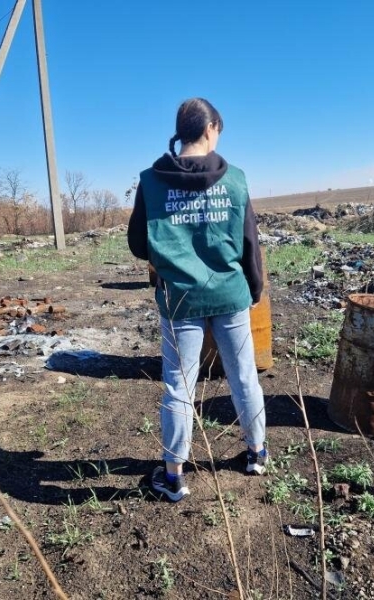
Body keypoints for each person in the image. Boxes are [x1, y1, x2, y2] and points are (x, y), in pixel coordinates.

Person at [127, 98, 268, 502]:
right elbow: (249, 244)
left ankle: (173, 476)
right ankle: (257, 453)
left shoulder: (151, 181)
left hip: (180, 300)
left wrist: (171, 252)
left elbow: (139, 244)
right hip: (229, 295)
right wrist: (254, 289)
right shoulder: (236, 179)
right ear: (211, 129)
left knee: (179, 387)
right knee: (244, 377)